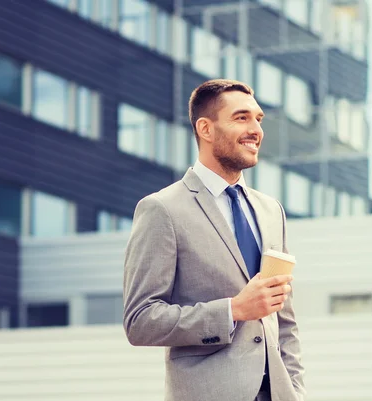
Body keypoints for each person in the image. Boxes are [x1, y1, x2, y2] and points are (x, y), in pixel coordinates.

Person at [123, 79, 306, 401]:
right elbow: (140, 321)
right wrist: (233, 310)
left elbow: (284, 320)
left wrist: (297, 393)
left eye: (258, 119)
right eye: (241, 118)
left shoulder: (270, 210)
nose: (256, 130)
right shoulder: (162, 209)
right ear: (205, 129)